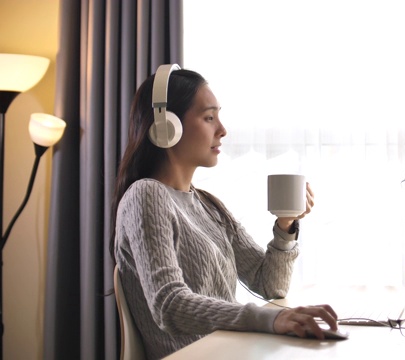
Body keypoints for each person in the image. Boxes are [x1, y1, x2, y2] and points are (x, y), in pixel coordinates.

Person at [110, 65, 338, 359]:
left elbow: (269, 285)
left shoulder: (209, 205)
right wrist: (270, 319)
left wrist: (286, 224)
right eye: (209, 117)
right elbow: (168, 304)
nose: (222, 129)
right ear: (167, 125)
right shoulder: (146, 195)